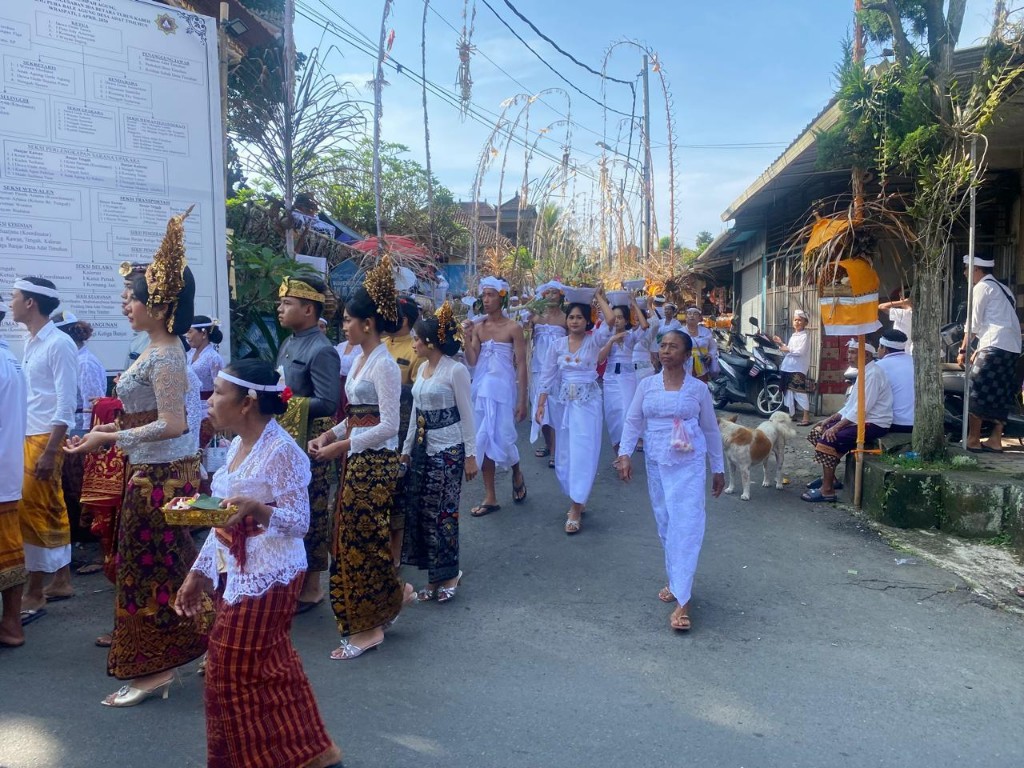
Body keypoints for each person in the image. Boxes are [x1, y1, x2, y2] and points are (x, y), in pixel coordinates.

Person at [66, 209, 211, 706]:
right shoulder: (154, 351)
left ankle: (154, 669)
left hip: (161, 481)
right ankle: (214, 640)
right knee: (170, 567)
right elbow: (146, 417)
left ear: (158, 304)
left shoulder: (168, 354)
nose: (125, 305)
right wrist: (104, 433)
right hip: (152, 475)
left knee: (148, 571)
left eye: (132, 298)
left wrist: (110, 441)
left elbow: (174, 424)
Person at [175, 360, 344, 768]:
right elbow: (221, 521)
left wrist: (258, 509)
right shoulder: (235, 446)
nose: (210, 401)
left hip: (273, 574)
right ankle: (313, 753)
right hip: (236, 572)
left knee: (227, 673)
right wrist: (198, 572)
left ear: (247, 402)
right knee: (271, 667)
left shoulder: (282, 450)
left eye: (217, 392)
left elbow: (300, 523)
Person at [307, 256, 412, 660]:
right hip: (355, 459)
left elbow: (388, 426)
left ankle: (369, 627)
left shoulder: (384, 364)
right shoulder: (361, 360)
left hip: (375, 465)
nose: (344, 326)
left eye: (349, 320)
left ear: (367, 323)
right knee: (351, 537)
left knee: (360, 539)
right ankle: (390, 598)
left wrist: (341, 445)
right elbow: (354, 416)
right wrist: (328, 436)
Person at [614, 329, 726, 632]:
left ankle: (683, 601)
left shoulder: (697, 390)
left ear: (687, 355)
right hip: (657, 462)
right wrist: (625, 454)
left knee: (686, 524)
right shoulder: (647, 386)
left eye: (673, 347)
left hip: (689, 464)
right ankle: (677, 581)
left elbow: (711, 430)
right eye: (662, 346)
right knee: (666, 525)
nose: (666, 351)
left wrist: (718, 468)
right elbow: (634, 420)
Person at [400, 303, 478, 602]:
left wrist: (470, 455)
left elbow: (467, 414)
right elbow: (415, 414)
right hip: (423, 449)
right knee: (423, 512)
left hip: (449, 450)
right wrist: (406, 451)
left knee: (443, 514)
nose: (414, 344)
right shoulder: (421, 369)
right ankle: (433, 576)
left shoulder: (455, 370)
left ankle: (449, 573)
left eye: (417, 339)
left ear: (430, 341)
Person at [9, 277, 78, 612]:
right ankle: (61, 579)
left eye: (15, 297)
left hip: (45, 436)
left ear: (31, 303)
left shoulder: (59, 343)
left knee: (35, 510)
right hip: (28, 433)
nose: (11, 303)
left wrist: (51, 450)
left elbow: (66, 403)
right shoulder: (32, 340)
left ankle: (36, 589)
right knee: (44, 506)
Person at [276, 274, 341, 612]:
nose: (280, 308)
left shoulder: (322, 349)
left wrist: (287, 400)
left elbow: (329, 402)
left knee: (312, 510)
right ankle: (292, 579)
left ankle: (313, 587)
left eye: (287, 303)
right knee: (287, 508)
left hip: (312, 440)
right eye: (281, 302)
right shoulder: (289, 342)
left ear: (308, 308)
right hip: (288, 437)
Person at [535, 290, 609, 534]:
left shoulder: (595, 340)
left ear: (587, 320)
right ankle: (577, 495)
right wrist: (541, 404)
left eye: (579, 317)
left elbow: (610, 321)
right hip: (563, 405)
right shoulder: (557, 345)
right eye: (571, 317)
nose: (575, 321)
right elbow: (547, 376)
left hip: (588, 405)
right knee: (565, 454)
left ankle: (576, 507)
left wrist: (597, 297)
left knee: (584, 452)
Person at [462, 277, 528, 516]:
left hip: (503, 391)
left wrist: (523, 400)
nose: (486, 300)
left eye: (491, 295)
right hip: (481, 391)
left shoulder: (513, 328)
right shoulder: (478, 328)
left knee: (503, 437)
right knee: (484, 438)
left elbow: (521, 365)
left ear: (501, 297)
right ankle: (490, 496)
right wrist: (467, 338)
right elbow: (472, 361)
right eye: (484, 295)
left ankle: (517, 471)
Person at [801, 341, 893, 503]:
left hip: (874, 423)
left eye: (853, 352)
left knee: (828, 440)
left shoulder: (873, 375)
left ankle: (827, 490)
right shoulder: (864, 373)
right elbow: (850, 406)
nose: (848, 356)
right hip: (859, 419)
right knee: (818, 431)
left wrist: (836, 428)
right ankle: (831, 480)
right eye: (849, 352)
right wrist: (829, 420)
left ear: (866, 355)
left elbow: (861, 410)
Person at [959, 255, 1022, 453]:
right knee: (1000, 393)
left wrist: (963, 349)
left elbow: (973, 323)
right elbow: (1000, 321)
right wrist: (979, 347)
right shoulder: (1004, 289)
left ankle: (973, 439)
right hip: (1011, 347)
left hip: (994, 345)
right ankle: (995, 439)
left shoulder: (982, 288)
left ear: (977, 269)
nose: (964, 273)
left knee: (976, 388)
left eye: (967, 269)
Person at [385, 296, 425, 565]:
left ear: (405, 320)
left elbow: (419, 393)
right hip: (375, 426)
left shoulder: (414, 350)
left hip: (401, 427)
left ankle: (397, 554)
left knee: (398, 489)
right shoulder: (379, 344)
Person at [0, 295, 29, 647]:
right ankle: (10, 624)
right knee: (8, 546)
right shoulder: (10, 359)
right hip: (7, 468)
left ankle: (10, 625)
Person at [594, 287, 650, 450]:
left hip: (627, 378)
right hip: (610, 378)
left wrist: (633, 303)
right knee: (613, 415)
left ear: (626, 320)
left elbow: (644, 325)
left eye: (620, 317)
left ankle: (626, 449)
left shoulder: (631, 336)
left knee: (626, 412)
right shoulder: (605, 336)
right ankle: (617, 451)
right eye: (614, 317)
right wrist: (611, 340)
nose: (617, 320)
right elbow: (600, 359)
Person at [527, 281, 567, 463]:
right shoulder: (535, 317)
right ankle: (550, 444)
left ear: (560, 296)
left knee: (556, 407)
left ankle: (555, 450)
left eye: (555, 293)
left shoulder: (566, 318)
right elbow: (525, 338)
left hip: (559, 370)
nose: (551, 296)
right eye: (548, 292)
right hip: (538, 368)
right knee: (540, 407)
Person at [53, 311, 107, 433]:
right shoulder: (73, 359)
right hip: (71, 428)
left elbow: (93, 405)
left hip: (81, 430)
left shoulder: (84, 363)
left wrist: (90, 435)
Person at [186, 315, 225, 447]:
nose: (187, 336)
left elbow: (219, 387)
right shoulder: (189, 354)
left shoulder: (213, 358)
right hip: (189, 406)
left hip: (205, 409)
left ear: (203, 333)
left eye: (190, 332)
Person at [774, 309, 812, 426]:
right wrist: (781, 343)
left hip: (798, 368)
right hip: (788, 366)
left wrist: (787, 349)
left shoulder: (805, 336)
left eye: (800, 320)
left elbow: (799, 351)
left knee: (800, 392)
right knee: (789, 392)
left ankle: (806, 417)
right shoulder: (793, 336)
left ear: (805, 322)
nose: (797, 322)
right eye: (795, 320)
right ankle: (792, 414)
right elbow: (788, 350)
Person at [875, 330, 914, 433]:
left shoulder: (879, 366)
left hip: (896, 424)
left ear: (885, 349)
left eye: (879, 347)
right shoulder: (915, 361)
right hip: (917, 423)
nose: (877, 349)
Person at [680, 307, 719, 383]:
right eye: (689, 313)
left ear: (699, 318)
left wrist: (710, 355)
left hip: (702, 365)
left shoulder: (705, 331)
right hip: (684, 365)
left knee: (702, 387)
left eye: (695, 314)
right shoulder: (680, 332)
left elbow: (713, 347)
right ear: (686, 317)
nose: (692, 316)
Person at [879, 288, 913, 354]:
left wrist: (903, 302)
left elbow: (881, 306)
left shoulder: (905, 313)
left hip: (903, 349)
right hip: (906, 348)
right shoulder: (909, 313)